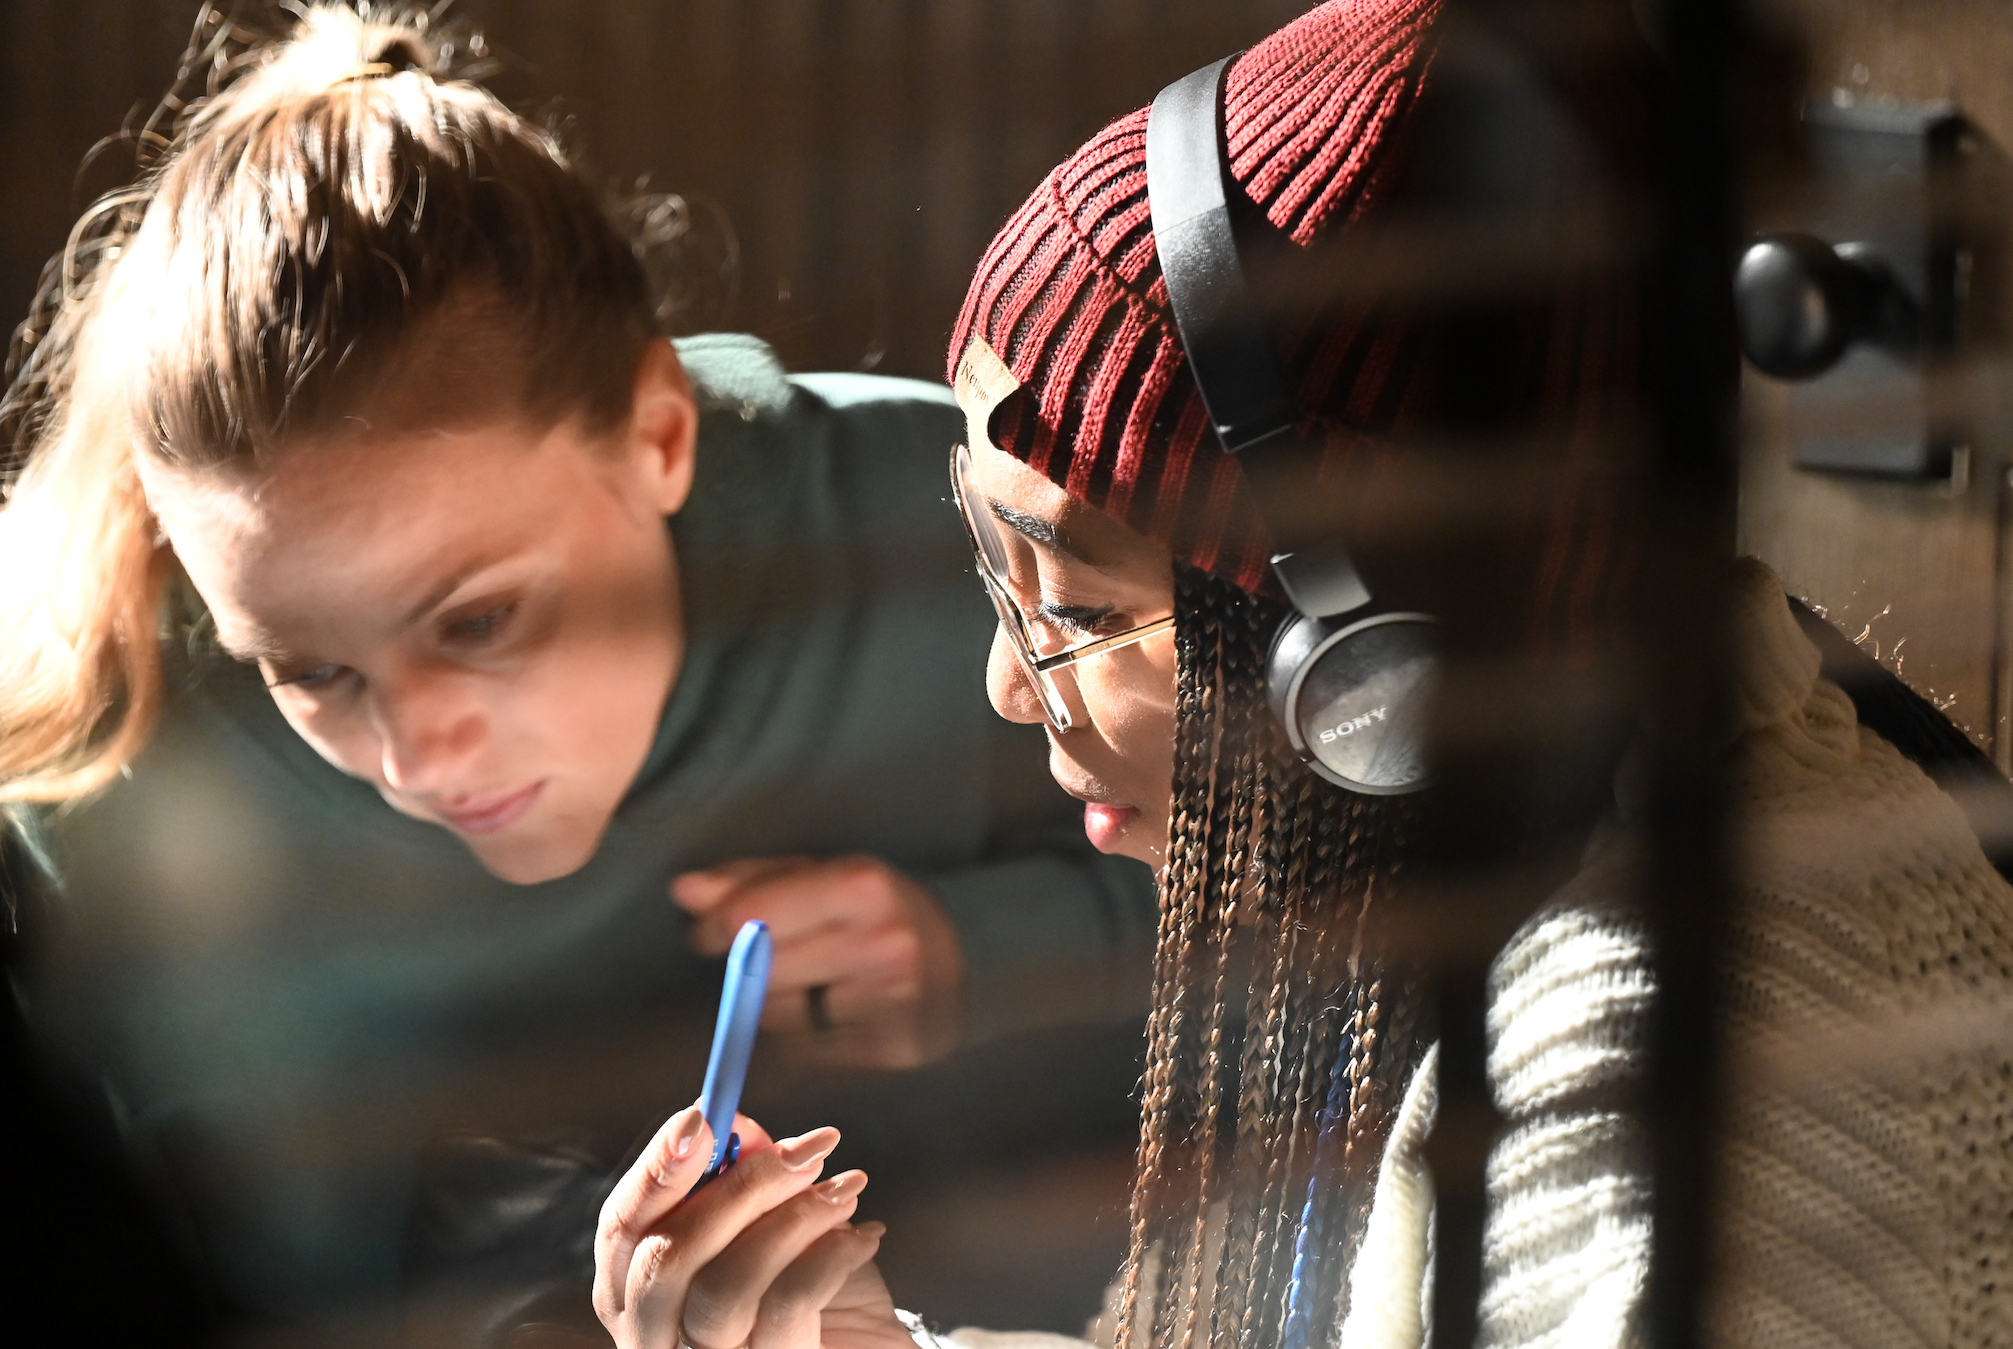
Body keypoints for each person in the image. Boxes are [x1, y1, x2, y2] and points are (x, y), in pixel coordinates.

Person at [589, 1, 2013, 1347]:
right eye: (997, 574)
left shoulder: (1642, 1090)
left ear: (1366, 670)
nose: (1010, 686)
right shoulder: (1518, 850)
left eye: (1074, 601)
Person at [0, 3, 1155, 1320]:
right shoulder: (113, 788)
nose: (418, 758)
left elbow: (1323, 908)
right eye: (307, 671)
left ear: (659, 433)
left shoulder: (964, 536)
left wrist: (976, 953)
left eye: (481, 620)